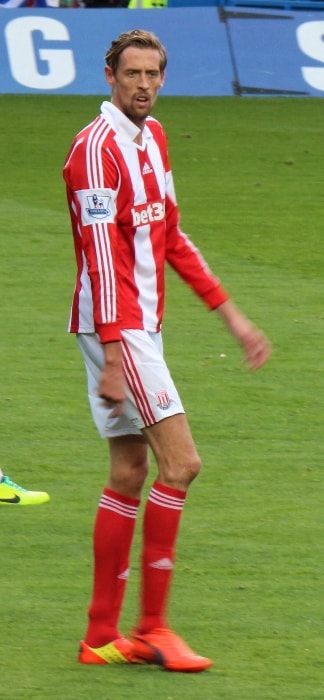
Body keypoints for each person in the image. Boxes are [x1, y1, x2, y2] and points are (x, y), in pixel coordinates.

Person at [63, 28, 270, 673]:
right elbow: (102, 261)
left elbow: (171, 235)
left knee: (129, 472)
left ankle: (100, 638)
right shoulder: (93, 155)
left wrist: (230, 314)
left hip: (139, 328)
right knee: (180, 465)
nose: (145, 85)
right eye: (133, 74)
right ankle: (153, 626)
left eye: (154, 73)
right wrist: (118, 357)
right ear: (109, 76)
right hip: (117, 329)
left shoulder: (153, 139)